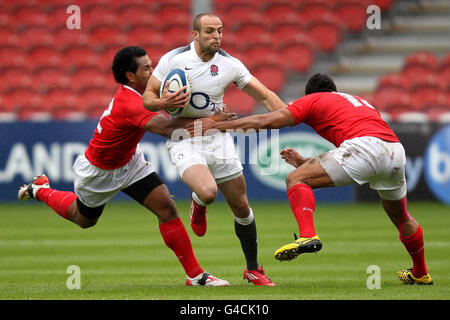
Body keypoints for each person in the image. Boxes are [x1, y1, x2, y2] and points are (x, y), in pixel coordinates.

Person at [188, 73, 433, 285]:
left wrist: (218, 127)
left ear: (310, 94)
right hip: (394, 150)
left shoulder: (313, 99)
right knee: (402, 217)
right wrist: (308, 163)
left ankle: (307, 235)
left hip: (365, 147)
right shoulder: (358, 101)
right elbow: (353, 140)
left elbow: (267, 121)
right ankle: (420, 272)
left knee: (296, 180)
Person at [17, 46, 229, 287]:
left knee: (167, 208)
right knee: (83, 219)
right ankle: (40, 190)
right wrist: (211, 121)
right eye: (147, 67)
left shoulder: (148, 90)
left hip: (130, 161)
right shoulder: (130, 102)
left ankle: (195, 275)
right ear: (131, 76)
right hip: (100, 171)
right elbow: (170, 130)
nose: (153, 70)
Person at [142, 13, 286, 286]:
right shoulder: (175, 60)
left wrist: (292, 115)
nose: (217, 36)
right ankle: (199, 202)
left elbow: (264, 95)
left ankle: (253, 268)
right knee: (208, 192)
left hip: (217, 136)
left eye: (220, 31)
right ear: (195, 34)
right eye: (209, 31)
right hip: (184, 136)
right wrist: (164, 100)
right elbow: (148, 98)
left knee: (241, 206)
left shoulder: (230, 65)